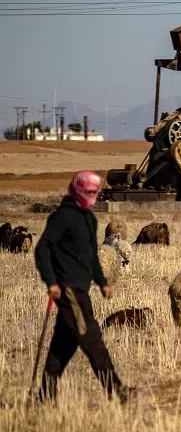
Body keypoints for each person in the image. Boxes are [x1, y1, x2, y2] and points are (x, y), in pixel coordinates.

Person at [33, 170, 134, 404]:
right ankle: (116, 390)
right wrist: (51, 281)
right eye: (88, 191)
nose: (92, 196)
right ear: (77, 190)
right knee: (92, 339)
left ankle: (44, 395)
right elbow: (43, 249)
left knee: (63, 345)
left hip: (82, 289)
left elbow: (91, 256)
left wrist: (102, 282)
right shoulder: (62, 218)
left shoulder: (89, 219)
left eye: (95, 192)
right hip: (68, 290)